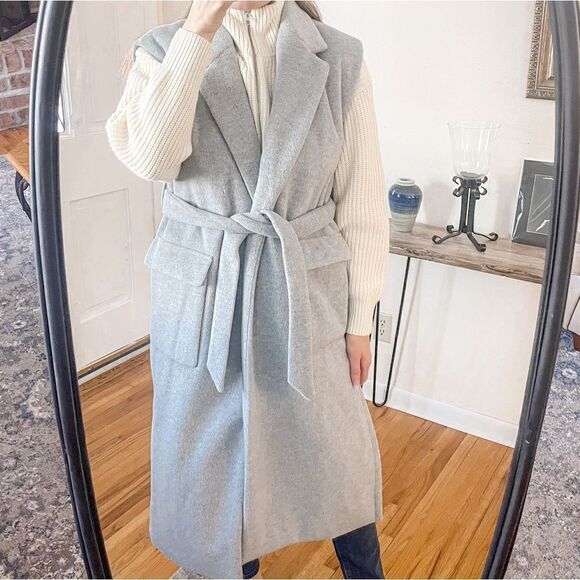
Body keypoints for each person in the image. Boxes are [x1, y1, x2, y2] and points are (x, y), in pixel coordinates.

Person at [105, 1, 390, 578]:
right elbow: (153, 159)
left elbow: (361, 194)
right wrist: (199, 27)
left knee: (338, 454)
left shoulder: (340, 56)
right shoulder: (161, 50)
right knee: (214, 465)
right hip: (205, 289)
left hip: (305, 285)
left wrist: (361, 318)